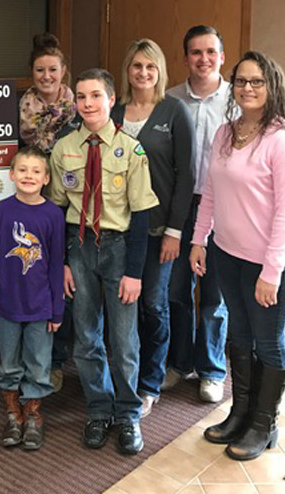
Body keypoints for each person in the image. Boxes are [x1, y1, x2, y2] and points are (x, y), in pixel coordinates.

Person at [190, 51, 285, 461]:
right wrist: (199, 240)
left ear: (271, 86)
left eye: (256, 81)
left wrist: (271, 271)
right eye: (241, 81)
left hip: (270, 264)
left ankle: (263, 424)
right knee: (238, 335)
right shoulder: (225, 133)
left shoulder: (282, 141)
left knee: (269, 342)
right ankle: (240, 412)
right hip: (227, 254)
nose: (247, 88)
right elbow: (211, 194)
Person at [49, 68, 159, 455]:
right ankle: (98, 408)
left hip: (118, 248)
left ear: (112, 100)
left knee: (124, 339)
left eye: (96, 96)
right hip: (79, 248)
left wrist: (134, 272)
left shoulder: (131, 149)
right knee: (86, 335)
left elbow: (142, 215)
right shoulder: (65, 148)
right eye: (81, 97)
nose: (88, 104)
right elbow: (58, 208)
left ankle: (128, 413)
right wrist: (62, 262)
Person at [111, 38, 195, 418]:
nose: (143, 73)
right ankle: (123, 377)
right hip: (116, 230)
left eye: (151, 67)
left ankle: (150, 382)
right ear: (127, 70)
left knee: (152, 305)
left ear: (160, 71)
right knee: (119, 308)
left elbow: (185, 175)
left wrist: (176, 231)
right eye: (136, 66)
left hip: (159, 231)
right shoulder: (112, 111)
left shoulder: (174, 111)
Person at [0, 147, 65, 451]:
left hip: (41, 306)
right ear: (12, 175)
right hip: (5, 304)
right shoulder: (1, 211)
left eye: (35, 171)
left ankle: (33, 415)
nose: (28, 175)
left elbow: (57, 265)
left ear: (46, 178)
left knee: (39, 363)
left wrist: (57, 310)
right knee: (8, 363)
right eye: (23, 170)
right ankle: (13, 413)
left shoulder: (53, 214)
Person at [165, 25, 230, 403]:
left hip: (223, 206)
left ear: (222, 56)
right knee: (176, 288)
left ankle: (211, 369)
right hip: (181, 205)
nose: (203, 59)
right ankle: (180, 362)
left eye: (210, 52)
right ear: (185, 57)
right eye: (195, 52)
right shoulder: (172, 99)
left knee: (214, 293)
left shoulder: (237, 100)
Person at [19, 32, 77, 393]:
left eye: (52, 69)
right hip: (34, 198)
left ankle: (59, 358)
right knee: (35, 273)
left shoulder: (78, 105)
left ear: (63, 71)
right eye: (40, 70)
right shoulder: (20, 107)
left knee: (65, 278)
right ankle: (34, 356)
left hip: (70, 200)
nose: (46, 76)